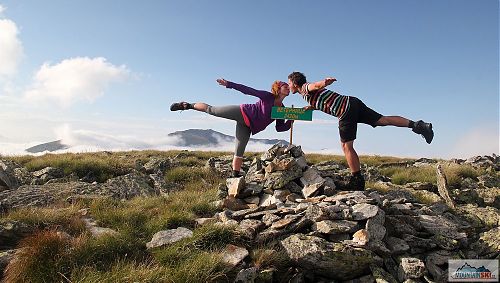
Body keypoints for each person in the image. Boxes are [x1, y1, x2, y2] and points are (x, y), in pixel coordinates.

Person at [287, 71, 434, 190]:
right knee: (383, 120)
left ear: (294, 82)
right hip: (352, 102)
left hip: (345, 110)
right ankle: (419, 126)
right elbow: (322, 98)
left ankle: (356, 180)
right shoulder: (306, 96)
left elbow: (315, 86)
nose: (288, 86)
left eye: (289, 83)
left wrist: (324, 82)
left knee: (346, 146)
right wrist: (311, 107)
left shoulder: (305, 88)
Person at [170, 78, 293, 177]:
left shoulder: (282, 109)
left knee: (239, 151)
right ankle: (188, 105)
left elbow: (280, 128)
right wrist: (229, 84)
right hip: (242, 112)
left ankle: (235, 176)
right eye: (285, 86)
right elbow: (248, 90)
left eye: (288, 86)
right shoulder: (268, 97)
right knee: (211, 110)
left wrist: (291, 121)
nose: (288, 87)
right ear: (278, 88)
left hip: (248, 126)